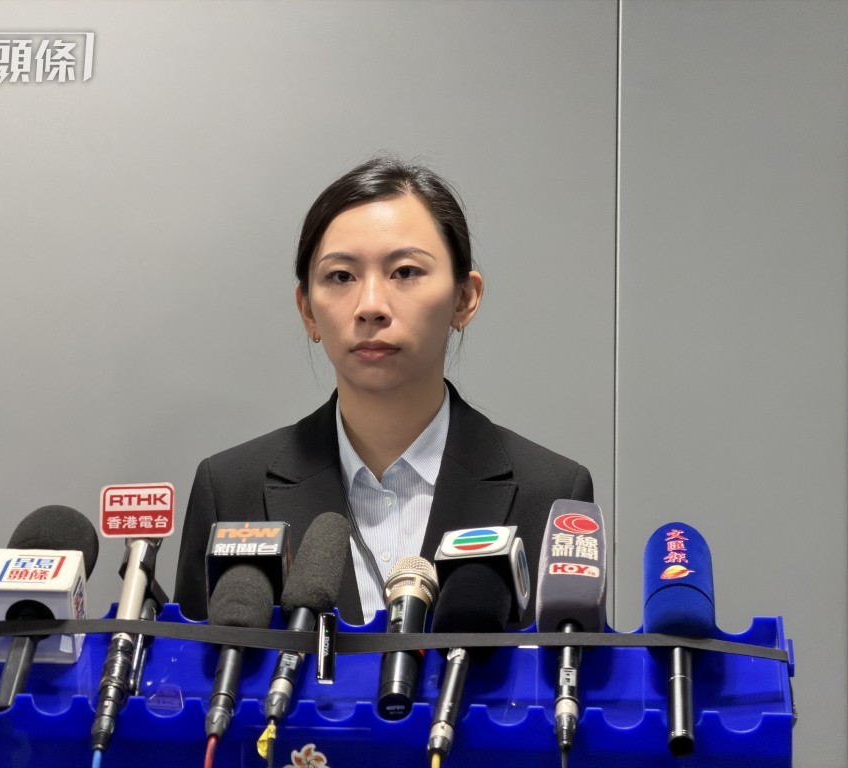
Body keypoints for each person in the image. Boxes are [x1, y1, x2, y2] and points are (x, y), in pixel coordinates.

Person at [173, 156, 593, 626]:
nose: (370, 306)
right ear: (308, 310)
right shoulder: (231, 489)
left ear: (464, 298)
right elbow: (187, 669)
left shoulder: (552, 493)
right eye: (341, 276)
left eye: (406, 272)